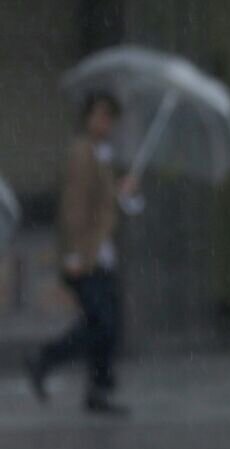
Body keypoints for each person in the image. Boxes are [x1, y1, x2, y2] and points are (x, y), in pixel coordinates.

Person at [25, 91, 137, 414]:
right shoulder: (82, 153)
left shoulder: (103, 155)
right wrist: (74, 256)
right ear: (88, 117)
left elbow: (105, 207)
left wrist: (123, 193)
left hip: (101, 255)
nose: (105, 123)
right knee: (102, 323)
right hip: (86, 257)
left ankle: (97, 388)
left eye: (109, 117)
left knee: (107, 324)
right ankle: (47, 360)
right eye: (100, 115)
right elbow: (73, 207)